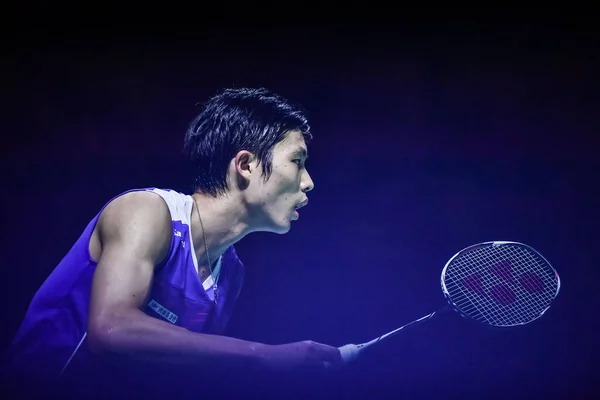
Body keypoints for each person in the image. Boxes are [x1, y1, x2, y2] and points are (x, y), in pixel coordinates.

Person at [2, 87, 343, 397]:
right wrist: (265, 356)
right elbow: (111, 329)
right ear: (246, 165)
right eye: (297, 162)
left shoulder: (229, 276)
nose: (309, 182)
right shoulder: (146, 212)